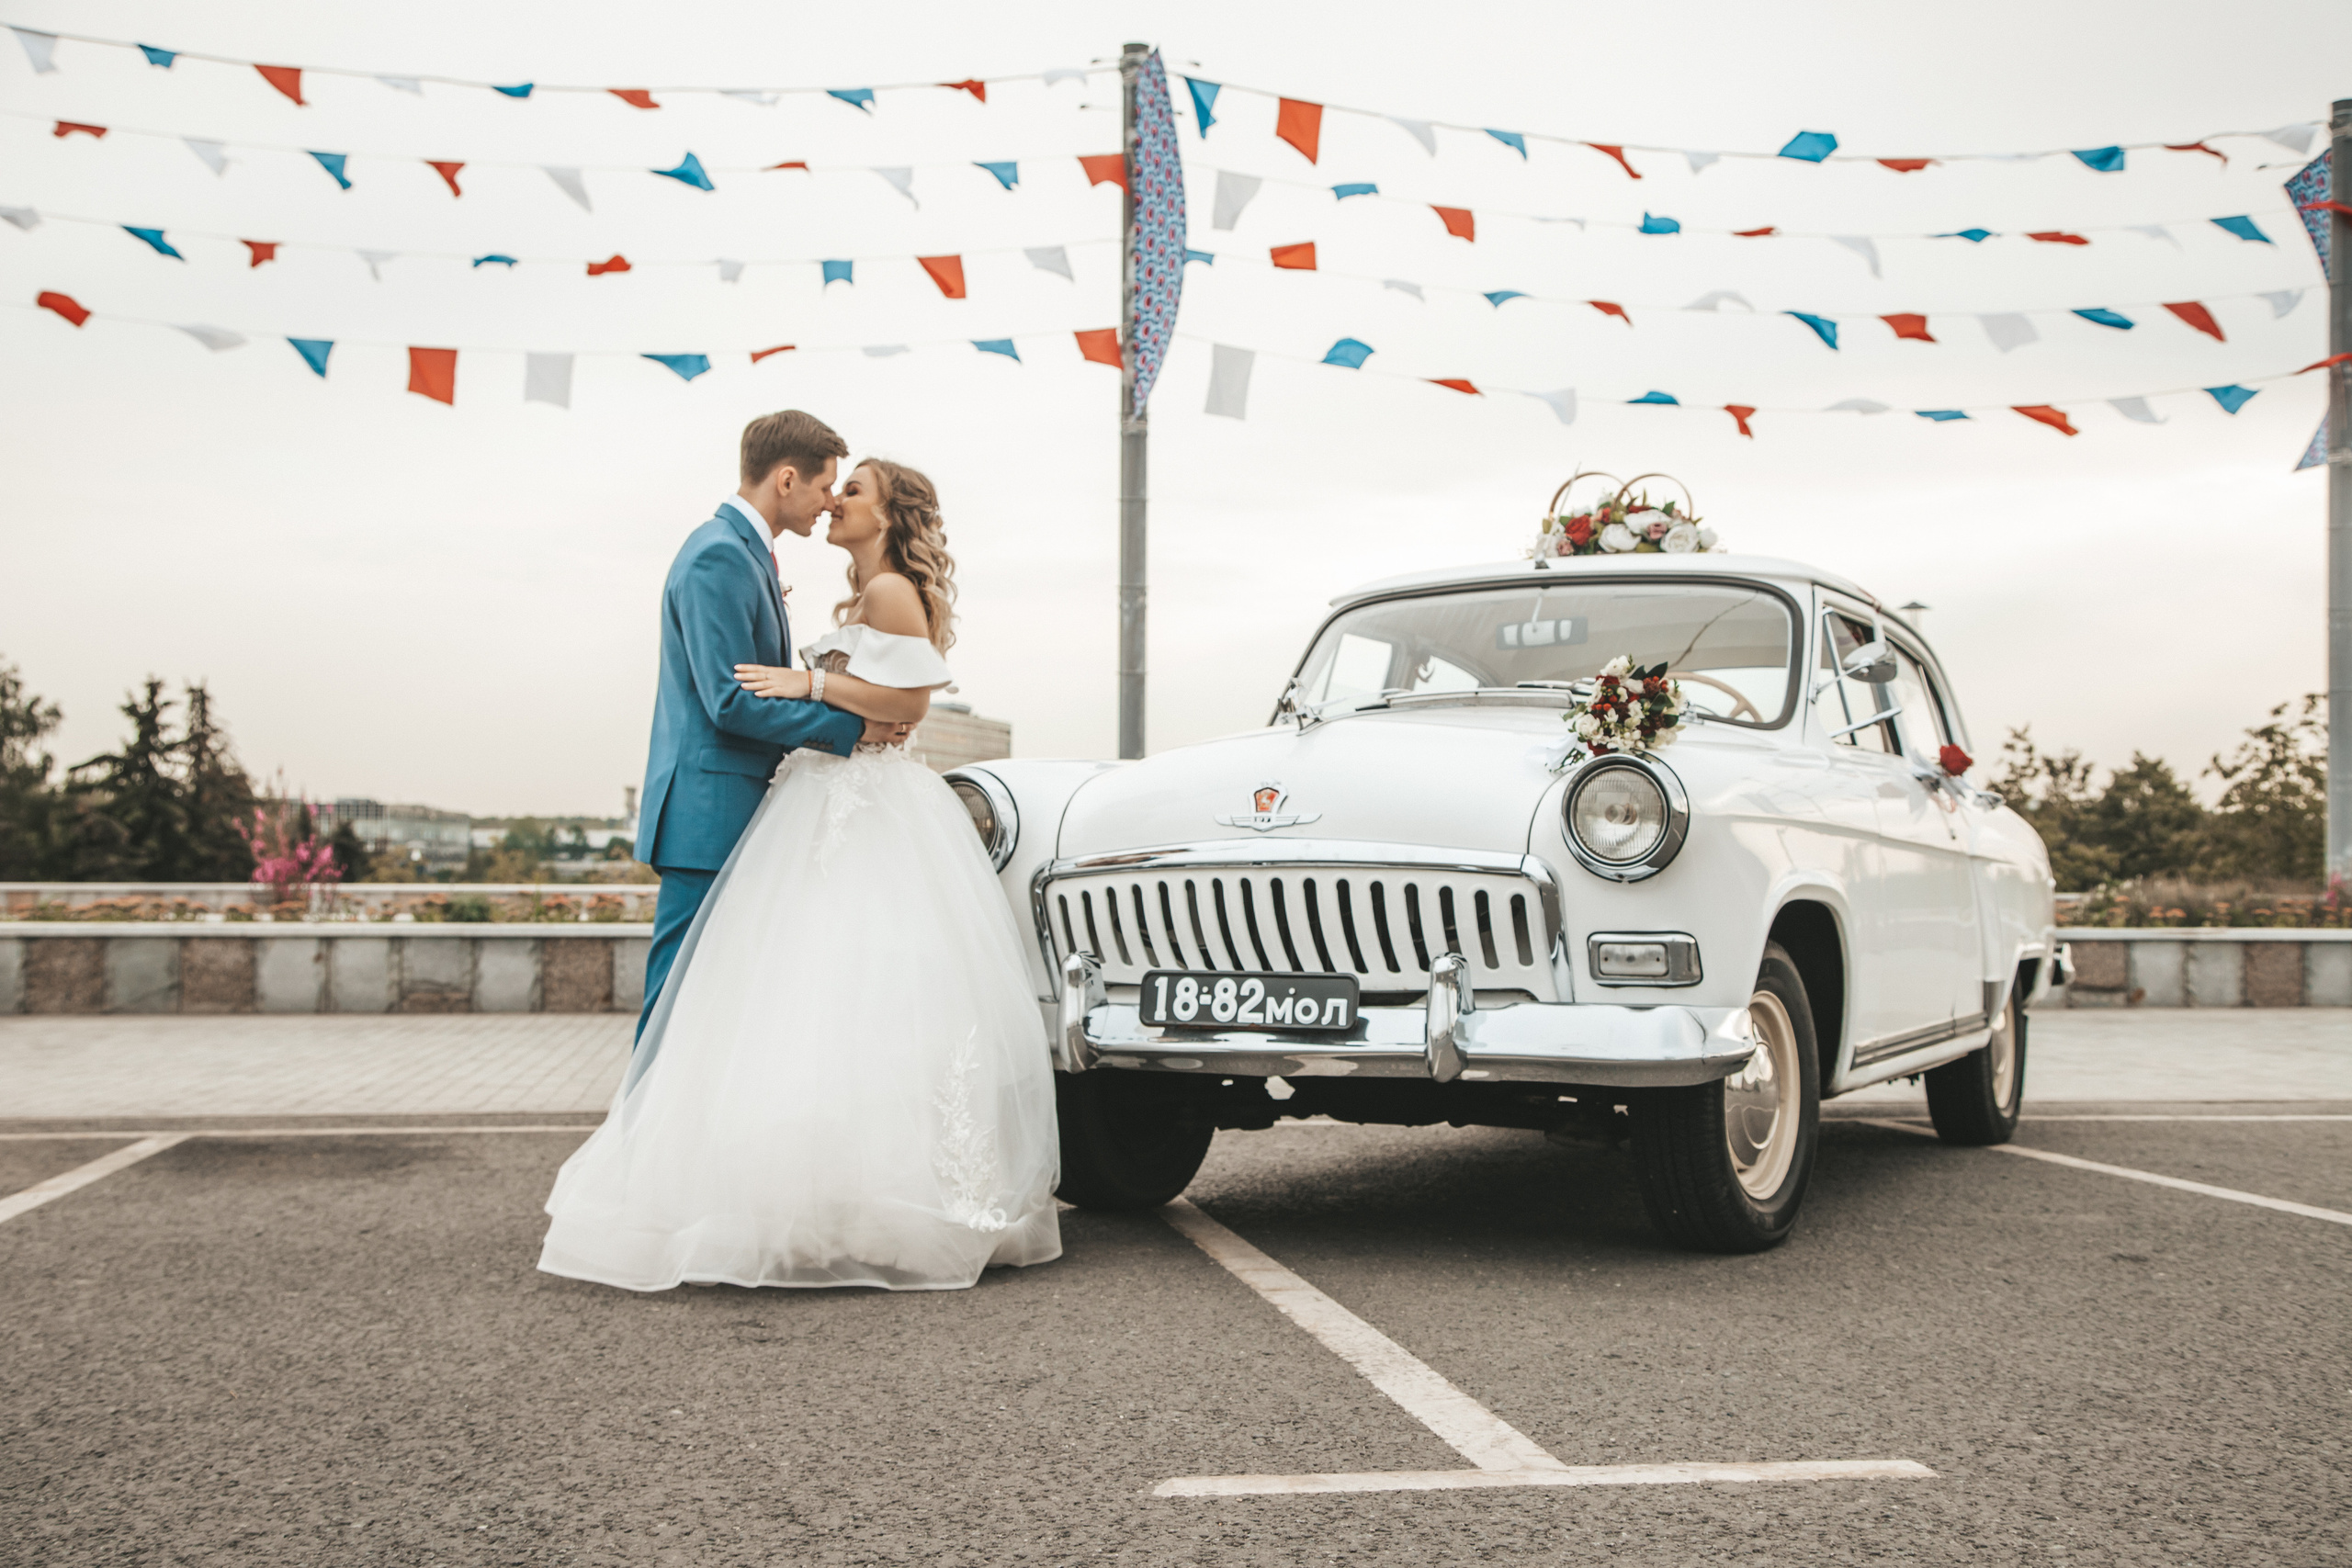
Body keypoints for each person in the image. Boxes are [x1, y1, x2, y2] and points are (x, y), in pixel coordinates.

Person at [539, 457, 1061, 1292]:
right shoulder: (855, 596)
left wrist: (810, 680)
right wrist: (825, 693)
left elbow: (913, 706)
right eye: (834, 485)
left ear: (888, 515)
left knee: (858, 996)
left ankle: (876, 1201)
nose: (835, 502)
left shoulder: (890, 589)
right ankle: (818, 1199)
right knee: (809, 1002)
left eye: (852, 491)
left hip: (867, 811)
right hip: (821, 800)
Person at [626, 411, 911, 1041]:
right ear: (787, 479)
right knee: (676, 1002)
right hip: (708, 815)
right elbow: (730, 702)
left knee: (715, 1003)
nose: (829, 501)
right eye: (823, 485)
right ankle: (641, 1133)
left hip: (729, 810)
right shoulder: (719, 556)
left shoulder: (740, 552)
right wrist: (852, 728)